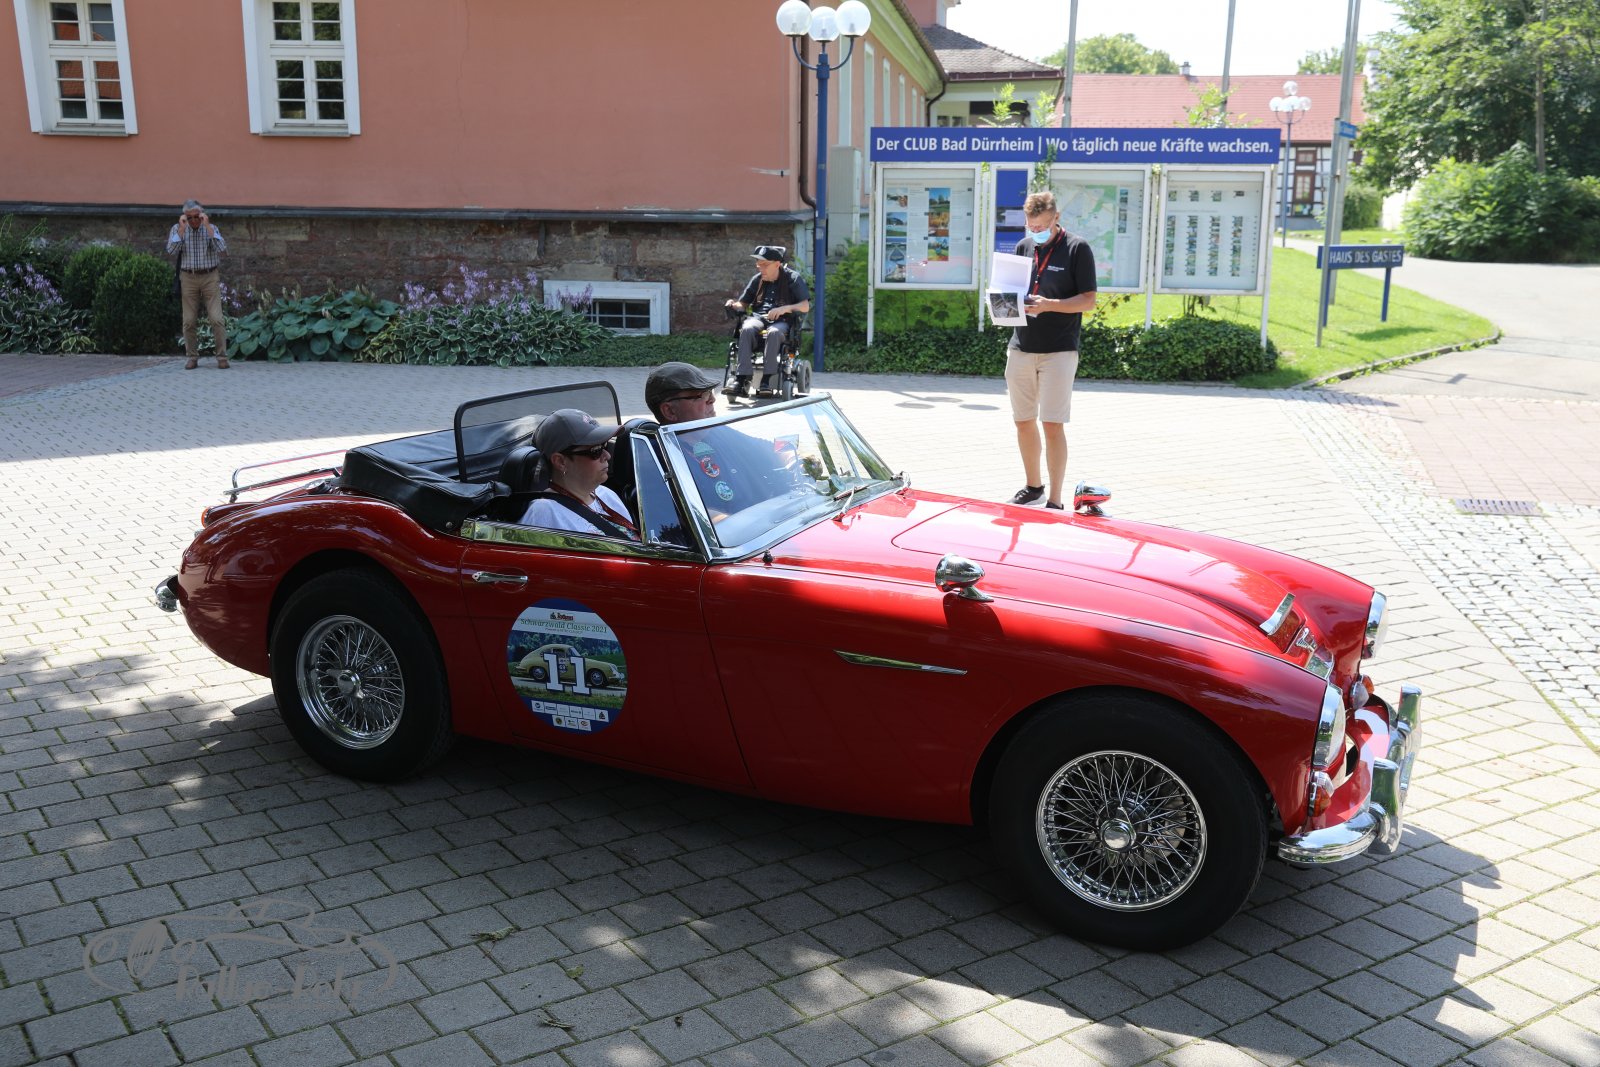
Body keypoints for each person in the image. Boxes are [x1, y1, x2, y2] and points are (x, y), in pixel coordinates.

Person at [1005, 190, 1097, 510]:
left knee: (1052, 423)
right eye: (1031, 226)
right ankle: (1034, 487)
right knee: (1023, 420)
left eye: (1042, 226)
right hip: (1021, 346)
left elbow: (1088, 300)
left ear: (1056, 218)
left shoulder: (1077, 248)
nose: (1036, 232)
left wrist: (1049, 305)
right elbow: (1011, 292)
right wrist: (1002, 304)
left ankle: (1055, 500)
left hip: (1059, 349)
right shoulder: (1023, 247)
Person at [520, 409, 637, 539]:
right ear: (560, 462)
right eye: (596, 450)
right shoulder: (542, 513)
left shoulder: (607, 495)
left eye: (604, 446)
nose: (607, 455)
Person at [724, 244, 810, 399]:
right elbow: (743, 304)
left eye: (764, 264)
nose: (760, 268)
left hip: (782, 321)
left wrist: (785, 308)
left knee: (774, 332)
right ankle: (741, 379)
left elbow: (805, 306)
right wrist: (733, 305)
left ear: (777, 264)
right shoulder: (757, 279)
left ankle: (767, 379)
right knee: (747, 328)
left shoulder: (793, 278)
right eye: (758, 264)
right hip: (759, 317)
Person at [166, 199, 229, 370]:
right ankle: (192, 357)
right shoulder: (177, 229)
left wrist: (207, 226)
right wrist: (181, 229)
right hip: (188, 277)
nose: (193, 220)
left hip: (210, 276)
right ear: (184, 217)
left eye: (196, 217)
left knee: (217, 319)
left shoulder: (211, 228)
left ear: (202, 215)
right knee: (188, 321)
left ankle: (222, 357)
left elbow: (221, 247)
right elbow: (171, 250)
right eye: (189, 217)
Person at [645, 361, 722, 425]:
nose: (712, 399)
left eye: (710, 391)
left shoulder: (721, 433)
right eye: (704, 395)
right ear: (670, 411)